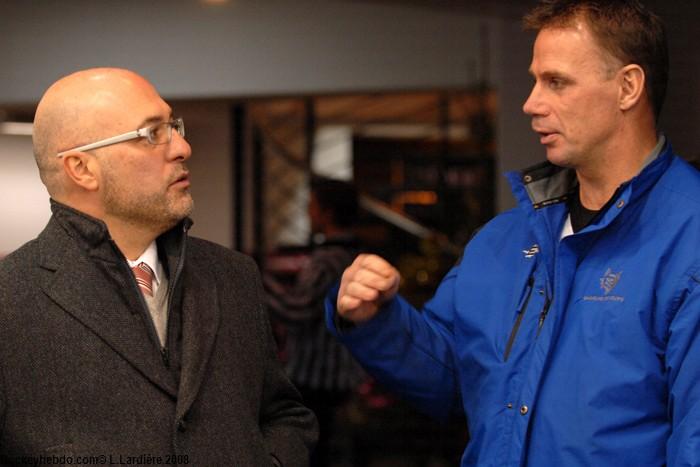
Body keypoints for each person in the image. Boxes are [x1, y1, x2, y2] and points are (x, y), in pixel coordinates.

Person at [326, 1, 700, 465]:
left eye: (556, 82)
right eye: (535, 80)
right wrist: (377, 320)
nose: (531, 103)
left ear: (628, 87)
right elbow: (452, 375)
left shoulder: (688, 238)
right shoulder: (503, 240)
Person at [0, 68, 317, 466]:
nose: (182, 147)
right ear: (82, 169)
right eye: (152, 133)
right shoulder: (9, 299)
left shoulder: (233, 275)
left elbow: (283, 414)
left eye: (173, 126)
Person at [264, 177, 365, 467]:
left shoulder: (327, 261)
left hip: (318, 376)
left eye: (312, 206)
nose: (308, 213)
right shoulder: (357, 257)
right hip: (344, 373)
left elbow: (297, 312)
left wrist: (255, 281)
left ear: (327, 213)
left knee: (313, 453)